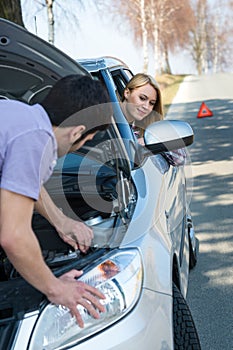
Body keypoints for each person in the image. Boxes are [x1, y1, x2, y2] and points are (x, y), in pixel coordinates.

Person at [0, 74, 112, 328]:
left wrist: (62, 222)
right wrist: (55, 288)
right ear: (78, 132)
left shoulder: (19, 116)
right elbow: (13, 236)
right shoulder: (37, 140)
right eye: (87, 140)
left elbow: (24, 182)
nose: (83, 144)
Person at [121, 73, 186, 165]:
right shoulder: (107, 123)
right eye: (142, 98)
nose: (146, 107)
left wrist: (152, 141)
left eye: (152, 103)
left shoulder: (144, 130)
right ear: (127, 93)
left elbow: (180, 159)